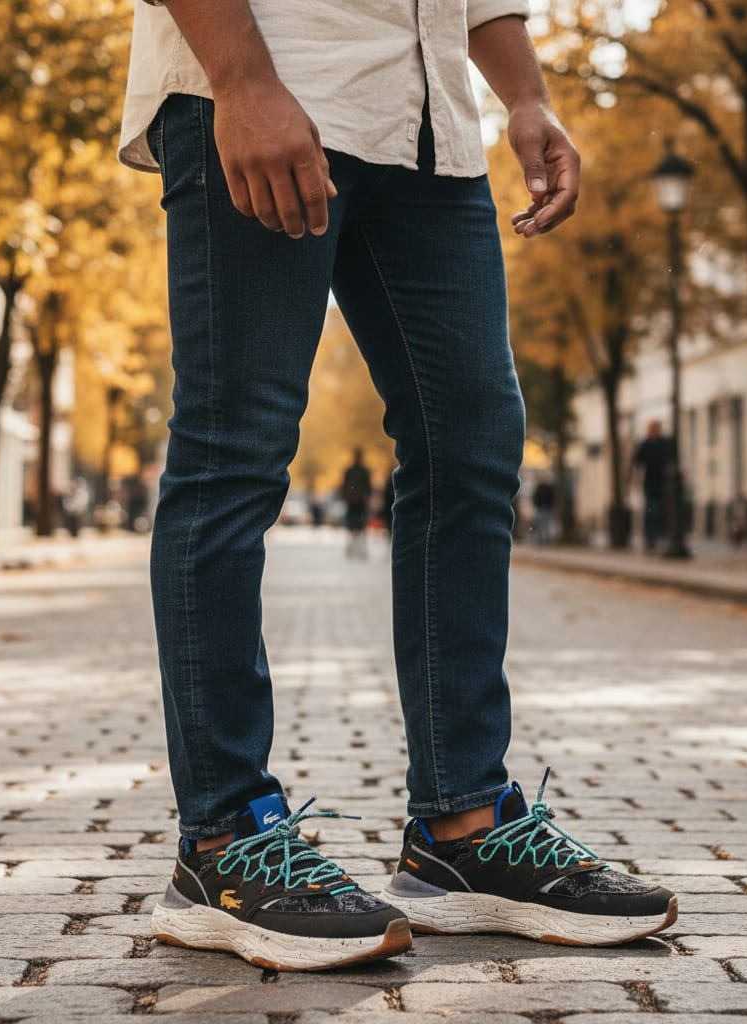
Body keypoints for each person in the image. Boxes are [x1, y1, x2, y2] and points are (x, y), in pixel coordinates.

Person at [120, 0, 677, 971]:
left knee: (473, 439)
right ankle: (221, 840)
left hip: (429, 124)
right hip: (272, 76)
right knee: (234, 448)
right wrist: (242, 78)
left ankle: (460, 831)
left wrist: (525, 94)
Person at [631, 420, 671, 554]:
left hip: (662, 483)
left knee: (660, 512)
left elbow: (669, 461)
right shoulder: (645, 445)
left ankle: (658, 539)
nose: (655, 431)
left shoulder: (663, 444)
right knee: (651, 512)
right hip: (649, 483)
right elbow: (637, 463)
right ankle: (650, 540)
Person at [341, 447, 373, 558]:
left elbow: (344, 486)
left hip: (352, 501)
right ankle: (359, 548)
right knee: (360, 524)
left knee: (351, 524)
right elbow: (368, 487)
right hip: (360, 501)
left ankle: (352, 547)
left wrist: (345, 497)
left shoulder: (349, 471)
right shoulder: (364, 471)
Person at [531, 474, 556, 545]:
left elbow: (551, 498)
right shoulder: (540, 488)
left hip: (546, 508)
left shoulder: (547, 488)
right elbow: (535, 498)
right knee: (542, 525)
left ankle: (544, 540)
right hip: (542, 508)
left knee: (544, 525)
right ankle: (542, 540)